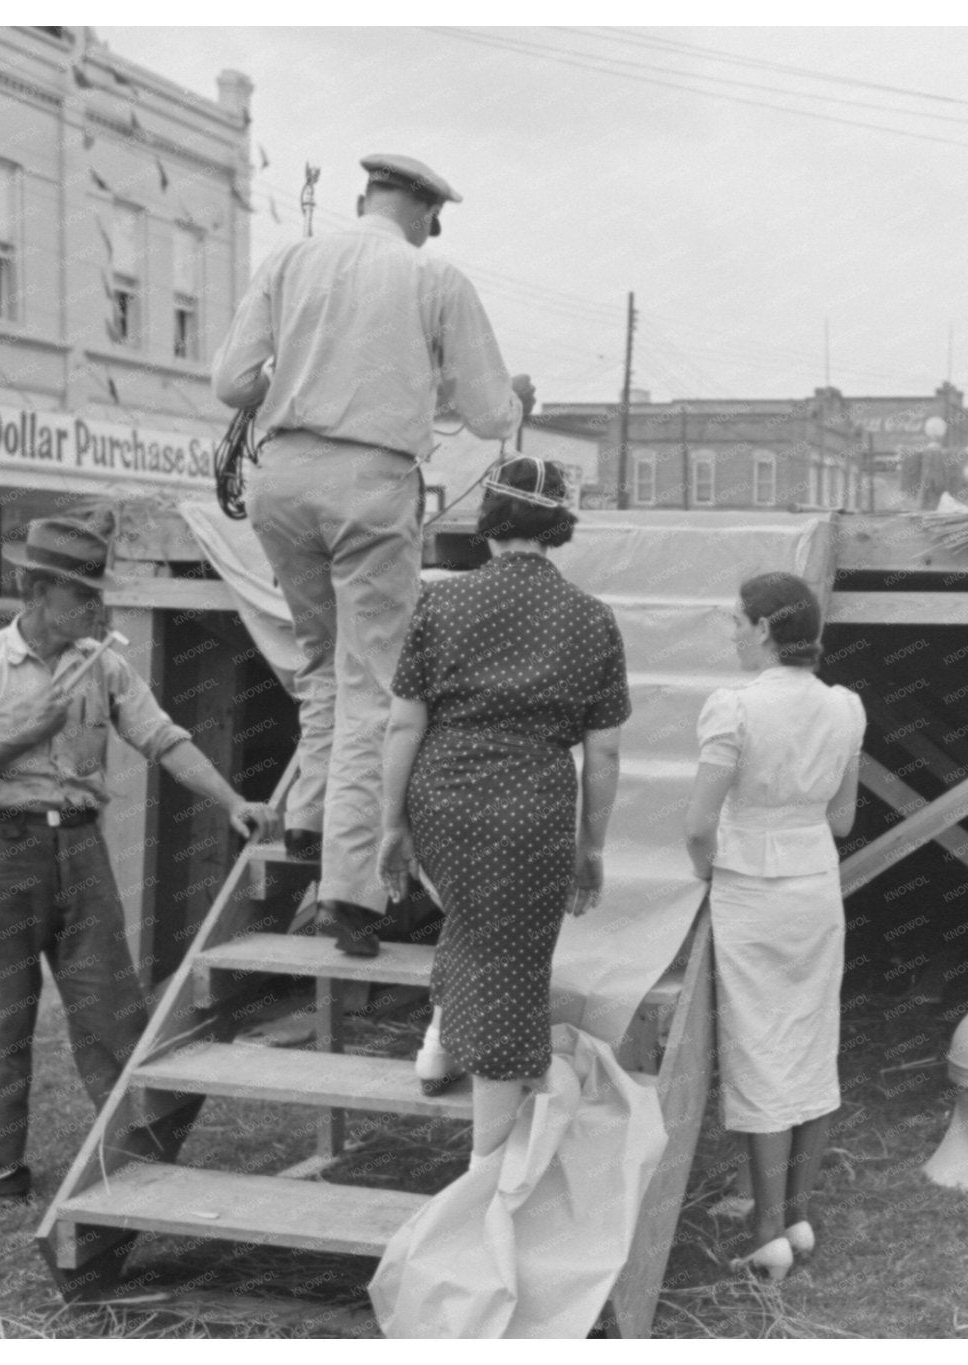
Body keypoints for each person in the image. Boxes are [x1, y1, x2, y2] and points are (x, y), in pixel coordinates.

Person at [212, 152, 536, 956]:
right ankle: (350, 893)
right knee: (377, 684)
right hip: (369, 479)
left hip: (281, 477)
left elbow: (230, 382)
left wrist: (299, 386)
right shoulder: (433, 278)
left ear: (364, 198)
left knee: (320, 659)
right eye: (436, 218)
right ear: (425, 213)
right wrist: (519, 398)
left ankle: (308, 820)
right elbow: (491, 412)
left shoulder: (290, 257)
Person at [0, 518, 282, 1199]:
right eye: (83, 594)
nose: (97, 608)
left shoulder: (105, 664)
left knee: (111, 1007)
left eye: (97, 593)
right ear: (37, 588)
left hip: (80, 846)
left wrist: (233, 800)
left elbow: (163, 738)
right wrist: (26, 735)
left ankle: (133, 1158)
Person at [376, 457, 628, 1164]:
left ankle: (441, 1046)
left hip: (444, 799)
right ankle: (489, 1173)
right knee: (511, 963)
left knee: (478, 929)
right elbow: (603, 754)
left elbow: (402, 725)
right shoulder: (592, 618)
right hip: (533, 807)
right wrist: (592, 844)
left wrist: (392, 823)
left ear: (490, 522)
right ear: (558, 526)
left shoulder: (439, 601)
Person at [684, 572, 865, 1283]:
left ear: (762, 629)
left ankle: (766, 1231)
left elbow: (699, 823)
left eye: (736, 620)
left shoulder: (733, 707)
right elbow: (843, 819)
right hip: (814, 885)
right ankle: (795, 1211)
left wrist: (709, 867)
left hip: (750, 889)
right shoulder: (846, 707)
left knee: (759, 1045)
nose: (731, 631)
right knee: (812, 1039)